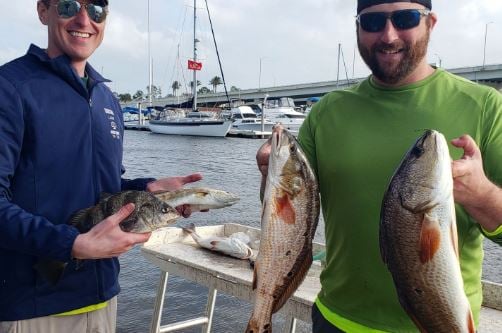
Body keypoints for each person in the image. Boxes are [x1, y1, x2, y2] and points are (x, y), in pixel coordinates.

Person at [257, 0, 502, 332]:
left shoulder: (486, 107)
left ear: (431, 23)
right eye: (373, 23)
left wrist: (482, 195)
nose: (388, 35)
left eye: (405, 19)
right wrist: (269, 174)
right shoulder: (326, 113)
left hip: (443, 323)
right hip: (336, 320)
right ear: (357, 28)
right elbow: (287, 213)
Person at [0, 1, 203, 332]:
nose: (84, 19)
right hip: (33, 309)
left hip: (104, 298)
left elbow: (102, 187)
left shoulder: (107, 100)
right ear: (42, 11)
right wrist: (72, 244)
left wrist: (146, 189)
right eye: (68, 5)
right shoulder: (10, 88)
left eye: (96, 8)